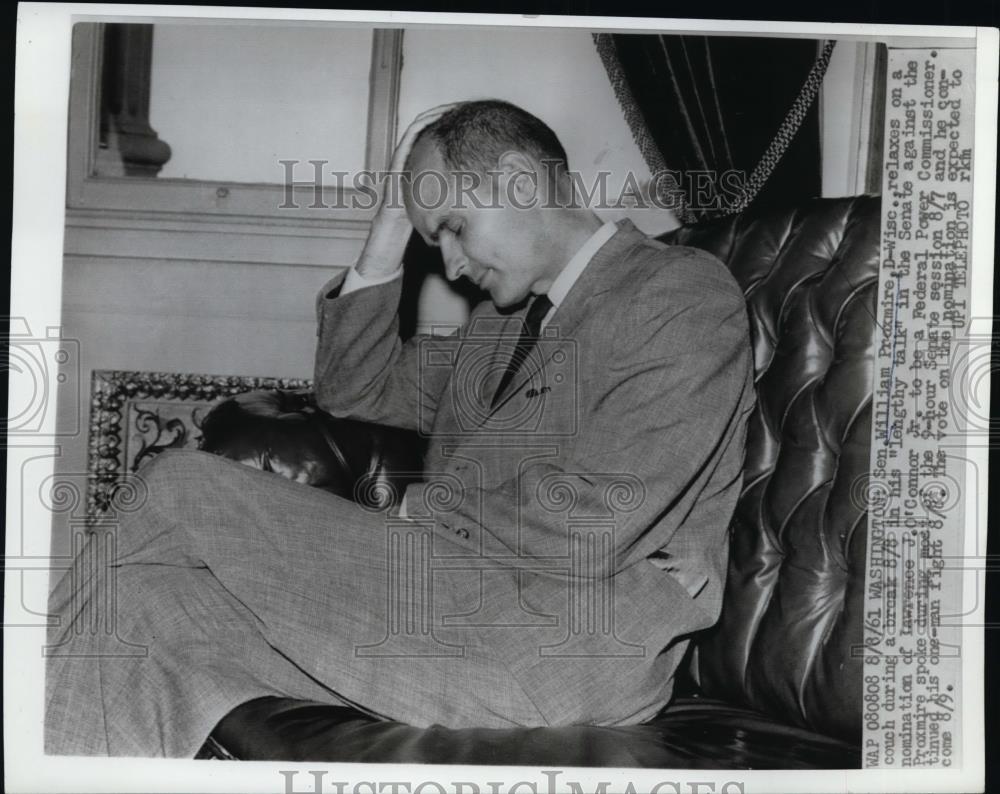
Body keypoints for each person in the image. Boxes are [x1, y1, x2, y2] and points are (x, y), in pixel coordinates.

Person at [45, 100, 755, 757]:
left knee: (178, 488)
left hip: (567, 649)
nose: (448, 263)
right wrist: (390, 231)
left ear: (516, 182)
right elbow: (356, 391)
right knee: (140, 606)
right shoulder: (502, 323)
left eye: (452, 228)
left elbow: (596, 520)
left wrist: (418, 506)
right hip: (458, 613)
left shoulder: (676, 294)